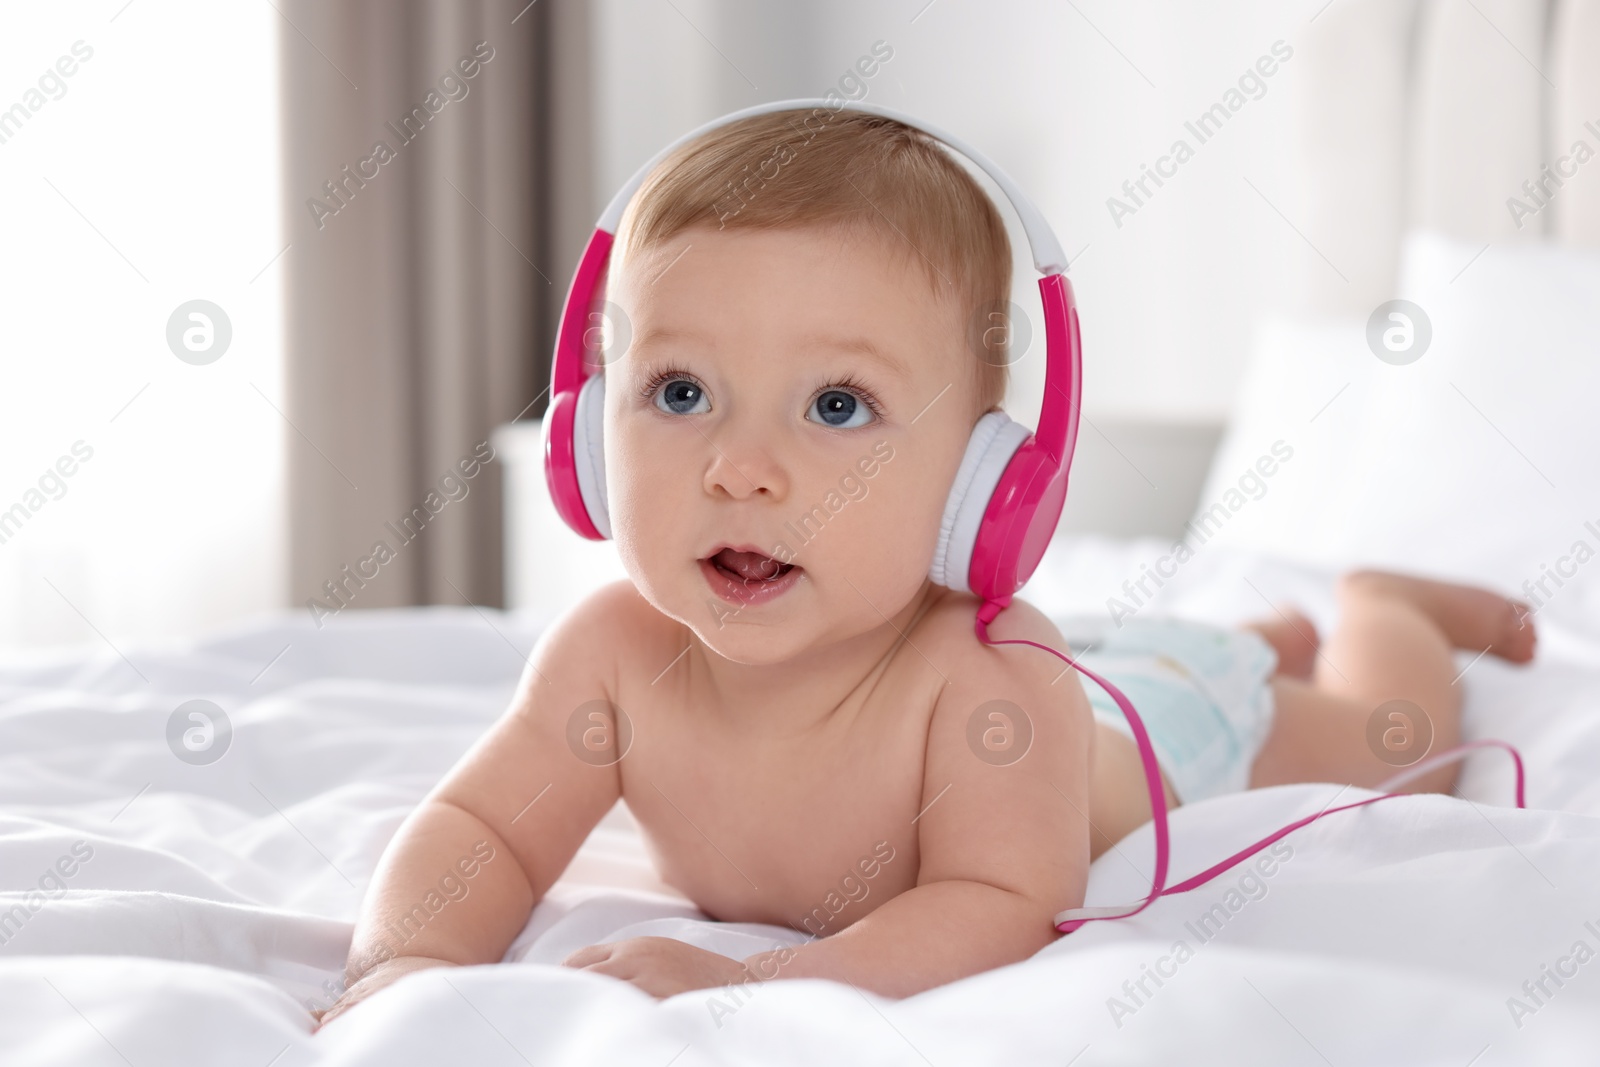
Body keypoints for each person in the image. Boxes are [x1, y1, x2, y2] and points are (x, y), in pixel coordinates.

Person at [312, 111, 1535, 1028]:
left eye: (837, 404)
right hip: (1103, 672)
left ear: (977, 480)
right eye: (679, 391)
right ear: (587, 425)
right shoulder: (612, 655)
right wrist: (400, 969)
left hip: (1157, 727)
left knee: (1396, 732)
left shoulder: (992, 682)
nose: (743, 469)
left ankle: (1374, 604)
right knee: (1148, 645)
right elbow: (482, 827)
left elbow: (998, 902)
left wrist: (758, 978)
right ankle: (1260, 629)